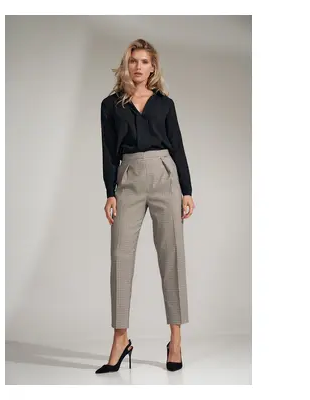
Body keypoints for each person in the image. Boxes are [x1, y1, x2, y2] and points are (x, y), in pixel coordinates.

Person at [96, 39, 195, 374]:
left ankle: (176, 340)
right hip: (129, 177)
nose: (138, 67)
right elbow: (108, 150)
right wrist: (110, 192)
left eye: (144, 61)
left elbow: (178, 146)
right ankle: (120, 338)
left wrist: (187, 190)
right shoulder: (110, 105)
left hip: (166, 175)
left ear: (153, 67)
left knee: (172, 255)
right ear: (126, 65)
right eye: (133, 61)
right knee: (120, 257)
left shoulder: (165, 104)